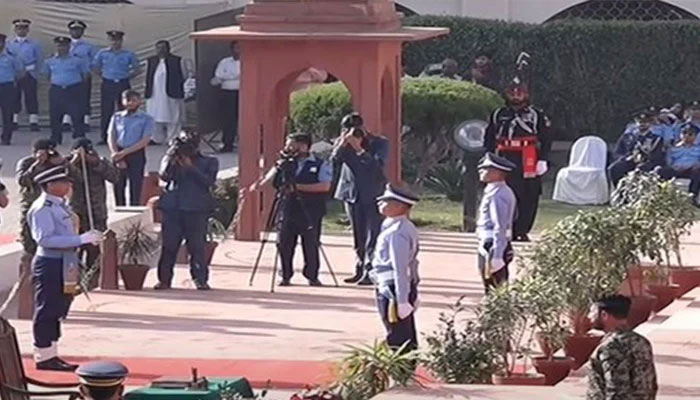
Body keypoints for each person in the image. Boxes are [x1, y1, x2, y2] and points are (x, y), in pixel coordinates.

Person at [28, 165, 103, 371]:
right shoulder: (43, 207)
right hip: (51, 262)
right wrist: (80, 239)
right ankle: (43, 355)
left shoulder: (61, 205)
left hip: (66, 262)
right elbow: (45, 238)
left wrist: (85, 239)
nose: (68, 185)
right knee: (47, 308)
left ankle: (52, 352)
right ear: (50, 185)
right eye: (63, 182)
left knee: (59, 307)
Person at [248, 133, 333, 286]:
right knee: (284, 243)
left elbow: (325, 186)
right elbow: (269, 179)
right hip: (287, 208)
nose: (288, 148)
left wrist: (297, 188)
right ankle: (285, 274)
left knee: (311, 243)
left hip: (311, 209)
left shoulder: (320, 164)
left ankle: (312, 275)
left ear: (304, 145)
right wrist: (257, 186)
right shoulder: (283, 163)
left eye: (291, 145)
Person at [484, 77, 552, 242]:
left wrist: (543, 159)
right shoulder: (498, 114)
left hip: (528, 158)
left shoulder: (537, 115)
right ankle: (504, 227)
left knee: (529, 195)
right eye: (512, 92)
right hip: (504, 157)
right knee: (503, 193)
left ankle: (521, 229)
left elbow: (546, 138)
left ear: (526, 94)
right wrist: (488, 159)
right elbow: (489, 139)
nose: (516, 95)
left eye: (519, 92)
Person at [154, 132, 219, 291]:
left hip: (196, 208)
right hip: (173, 208)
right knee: (169, 246)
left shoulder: (209, 161)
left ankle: (200, 279)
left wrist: (191, 168)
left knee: (197, 246)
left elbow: (208, 182)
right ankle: (164, 280)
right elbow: (164, 176)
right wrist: (171, 157)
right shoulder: (172, 158)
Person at [332, 112, 388, 285]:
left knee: (373, 234)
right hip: (351, 194)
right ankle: (359, 268)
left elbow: (377, 165)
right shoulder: (344, 144)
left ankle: (370, 271)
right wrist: (342, 144)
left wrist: (359, 148)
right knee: (358, 235)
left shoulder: (379, 143)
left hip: (372, 194)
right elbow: (334, 161)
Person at [369, 184, 420, 352]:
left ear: (399, 206)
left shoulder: (398, 231)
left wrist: (403, 299)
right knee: (402, 331)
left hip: (393, 288)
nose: (380, 203)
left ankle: (401, 373)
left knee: (397, 334)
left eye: (386, 201)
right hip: (392, 285)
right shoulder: (393, 225)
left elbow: (401, 267)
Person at [67, 138, 120, 283]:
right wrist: (75, 162)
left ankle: (93, 283)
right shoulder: (68, 163)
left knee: (95, 251)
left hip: (96, 214)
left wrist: (95, 162)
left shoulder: (99, 162)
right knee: (72, 252)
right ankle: (71, 285)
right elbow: (62, 176)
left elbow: (115, 177)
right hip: (75, 215)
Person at [587, 295, 658, 399]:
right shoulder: (641, 341)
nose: (589, 316)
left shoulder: (611, 347)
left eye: (592, 312)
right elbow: (651, 385)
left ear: (604, 315)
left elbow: (616, 391)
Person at [475, 153, 517, 293]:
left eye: (486, 169)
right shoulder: (493, 191)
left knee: (495, 287)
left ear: (498, 173)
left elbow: (500, 225)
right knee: (490, 285)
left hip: (493, 243)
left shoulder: (498, 194)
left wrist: (497, 254)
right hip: (488, 241)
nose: (481, 171)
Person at [17, 139, 66, 257]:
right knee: (29, 247)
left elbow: (72, 179)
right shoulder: (26, 163)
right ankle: (27, 272)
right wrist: (37, 164)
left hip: (52, 207)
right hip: (31, 206)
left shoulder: (54, 163)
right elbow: (22, 181)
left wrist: (64, 163)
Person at [93, 30, 141, 144]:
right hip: (108, 83)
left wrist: (127, 77)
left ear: (121, 41)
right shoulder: (102, 53)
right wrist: (103, 76)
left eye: (117, 40)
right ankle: (105, 137)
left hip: (123, 83)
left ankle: (125, 136)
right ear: (109, 41)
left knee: (125, 110)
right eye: (112, 40)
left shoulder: (128, 54)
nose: (115, 42)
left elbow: (137, 69)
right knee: (106, 110)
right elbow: (95, 67)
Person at [108, 90, 153, 206]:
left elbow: (145, 140)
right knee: (118, 186)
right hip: (118, 153)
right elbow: (111, 136)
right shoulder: (117, 117)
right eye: (127, 100)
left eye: (134, 100)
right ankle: (120, 211)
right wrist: (116, 154)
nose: (130, 103)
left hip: (136, 153)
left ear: (139, 101)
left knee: (136, 186)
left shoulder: (146, 118)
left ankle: (134, 212)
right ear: (123, 102)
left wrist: (124, 153)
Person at [42, 36, 90, 145]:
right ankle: (55, 138)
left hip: (73, 90)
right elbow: (46, 75)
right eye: (59, 46)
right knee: (55, 115)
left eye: (64, 46)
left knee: (77, 115)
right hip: (57, 90)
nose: (62, 48)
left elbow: (85, 75)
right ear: (56, 46)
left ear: (69, 46)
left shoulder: (78, 60)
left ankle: (79, 138)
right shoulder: (49, 61)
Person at [145, 40, 187, 145]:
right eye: (159, 48)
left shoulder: (178, 61)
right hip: (154, 94)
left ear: (169, 48)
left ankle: (173, 139)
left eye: (163, 48)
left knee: (173, 117)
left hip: (172, 93)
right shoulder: (150, 61)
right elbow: (146, 77)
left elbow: (184, 75)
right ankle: (156, 138)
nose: (161, 50)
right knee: (153, 117)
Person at [608, 111, 665, 187]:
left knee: (641, 170)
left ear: (650, 124)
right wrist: (625, 158)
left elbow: (657, 157)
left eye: (645, 122)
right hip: (628, 162)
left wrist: (644, 159)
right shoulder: (627, 137)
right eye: (640, 122)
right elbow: (618, 152)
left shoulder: (656, 139)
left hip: (646, 164)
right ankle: (619, 192)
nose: (642, 124)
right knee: (614, 168)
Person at [8, 19, 41, 132]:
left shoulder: (34, 44)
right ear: (15, 30)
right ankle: (14, 121)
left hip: (29, 73)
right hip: (14, 74)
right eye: (19, 28)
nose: (21, 30)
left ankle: (33, 121)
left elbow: (38, 59)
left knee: (31, 97)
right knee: (13, 98)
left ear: (28, 30)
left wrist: (33, 72)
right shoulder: (9, 44)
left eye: (24, 28)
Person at [658, 123, 700, 204]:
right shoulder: (673, 148)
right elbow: (668, 162)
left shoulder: (698, 148)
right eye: (684, 133)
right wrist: (673, 167)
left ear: (695, 136)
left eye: (690, 134)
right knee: (659, 170)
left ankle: (692, 197)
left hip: (692, 170)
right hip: (676, 169)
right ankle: (661, 196)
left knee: (698, 172)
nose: (686, 136)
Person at [211, 41, 240, 153]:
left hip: (242, 93)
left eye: (239, 48)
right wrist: (234, 76)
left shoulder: (248, 60)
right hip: (227, 93)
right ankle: (227, 144)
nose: (238, 50)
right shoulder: (224, 62)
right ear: (231, 49)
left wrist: (227, 76)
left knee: (243, 120)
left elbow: (244, 74)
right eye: (236, 48)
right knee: (228, 120)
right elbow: (218, 75)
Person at [68, 20, 96, 132]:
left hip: (83, 76)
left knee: (84, 99)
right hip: (69, 76)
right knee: (68, 99)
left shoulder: (89, 46)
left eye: (78, 30)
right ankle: (67, 121)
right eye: (73, 29)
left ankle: (85, 121)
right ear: (69, 31)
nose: (76, 32)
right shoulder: (65, 44)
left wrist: (88, 72)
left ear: (83, 31)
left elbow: (94, 61)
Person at [0, 33, 23, 145]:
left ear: (4, 43)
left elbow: (19, 72)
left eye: (0, 42)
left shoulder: (11, 57)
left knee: (7, 114)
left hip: (6, 87)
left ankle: (6, 137)